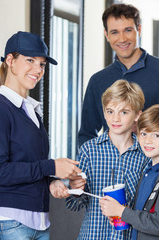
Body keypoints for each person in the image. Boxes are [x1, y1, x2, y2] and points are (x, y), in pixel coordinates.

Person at [0, 31, 82, 240]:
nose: (38, 69)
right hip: (9, 222)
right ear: (10, 60)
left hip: (40, 223)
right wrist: (51, 166)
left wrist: (51, 181)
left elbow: (29, 164)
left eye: (42, 64)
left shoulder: (32, 110)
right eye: (30, 60)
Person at [65, 80, 150, 239]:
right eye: (110, 111)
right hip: (93, 235)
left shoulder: (145, 154)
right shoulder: (89, 150)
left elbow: (148, 206)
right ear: (103, 112)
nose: (115, 118)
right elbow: (75, 204)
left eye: (124, 112)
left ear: (138, 114)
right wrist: (76, 190)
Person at [100, 104, 159, 240]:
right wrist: (123, 215)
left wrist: (122, 212)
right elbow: (145, 213)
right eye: (143, 133)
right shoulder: (149, 171)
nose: (147, 140)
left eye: (156, 135)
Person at [78, 3, 159, 146]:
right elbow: (87, 133)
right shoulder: (98, 81)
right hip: (111, 165)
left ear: (138, 30)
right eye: (114, 32)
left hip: (157, 165)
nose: (122, 39)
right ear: (106, 35)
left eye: (128, 30)